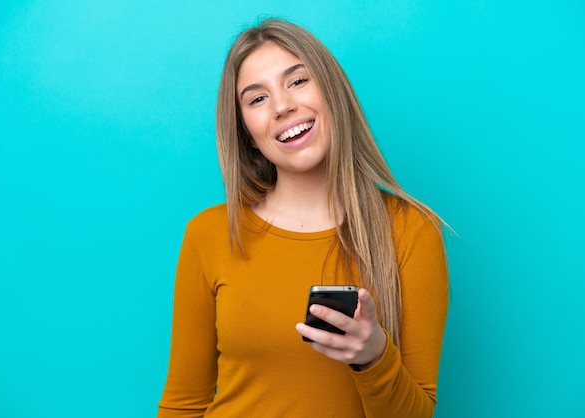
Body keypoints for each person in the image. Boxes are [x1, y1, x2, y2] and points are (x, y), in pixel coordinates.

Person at [157, 18, 449, 418]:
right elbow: (182, 405)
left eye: (297, 81)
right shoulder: (208, 234)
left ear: (332, 90)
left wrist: (374, 356)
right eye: (257, 99)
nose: (282, 106)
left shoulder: (411, 231)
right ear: (246, 131)